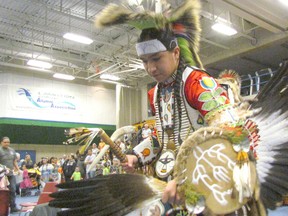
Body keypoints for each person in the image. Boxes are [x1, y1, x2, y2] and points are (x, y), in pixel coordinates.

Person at [0, 136, 21, 213]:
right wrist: (4, 168)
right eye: (5, 142)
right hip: (1, 175)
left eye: (8, 142)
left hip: (11, 174)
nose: (7, 143)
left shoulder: (12, 150)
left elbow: (14, 161)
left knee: (13, 189)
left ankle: (13, 207)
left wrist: (18, 170)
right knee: (2, 192)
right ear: (1, 142)